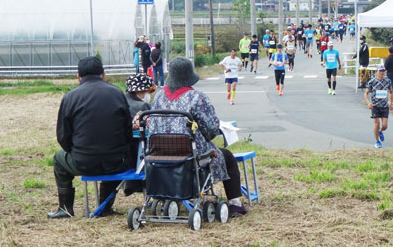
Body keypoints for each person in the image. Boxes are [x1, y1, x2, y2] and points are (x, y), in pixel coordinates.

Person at [149, 57, 247, 216]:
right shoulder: (197, 97)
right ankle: (235, 204)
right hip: (191, 154)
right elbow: (211, 129)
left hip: (159, 153)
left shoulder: (159, 96)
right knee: (227, 156)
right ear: (189, 76)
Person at [48, 56, 132, 219]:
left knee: (59, 159)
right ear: (104, 74)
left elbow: (63, 136)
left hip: (83, 162)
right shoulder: (117, 93)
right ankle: (104, 207)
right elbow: (127, 131)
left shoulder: (70, 97)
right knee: (113, 158)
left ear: (78, 77)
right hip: (116, 162)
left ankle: (65, 208)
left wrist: (74, 151)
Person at [123, 73, 154, 196]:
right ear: (141, 91)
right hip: (139, 153)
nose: (150, 94)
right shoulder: (143, 106)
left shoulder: (121, 100)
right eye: (149, 91)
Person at [364, 65, 393, 148]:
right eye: (380, 71)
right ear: (377, 71)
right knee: (376, 124)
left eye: (383, 71)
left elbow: (391, 92)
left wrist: (391, 103)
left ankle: (380, 131)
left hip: (384, 106)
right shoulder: (372, 81)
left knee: (385, 126)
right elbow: (366, 93)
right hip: (375, 106)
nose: (382, 72)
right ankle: (377, 141)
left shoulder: (387, 81)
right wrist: (368, 103)